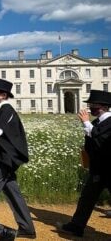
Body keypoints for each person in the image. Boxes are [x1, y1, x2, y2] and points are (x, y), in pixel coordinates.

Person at [0, 78, 35, 239]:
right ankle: (27, 228)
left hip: (5, 158)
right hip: (3, 157)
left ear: (3, 95)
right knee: (12, 193)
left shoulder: (7, 110)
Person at [57, 90, 111, 237]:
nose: (91, 107)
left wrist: (86, 123)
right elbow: (92, 141)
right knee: (87, 198)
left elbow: (101, 140)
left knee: (87, 198)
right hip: (98, 168)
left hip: (108, 167)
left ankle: (76, 226)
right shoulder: (96, 122)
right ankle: (76, 226)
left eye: (94, 104)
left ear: (104, 106)